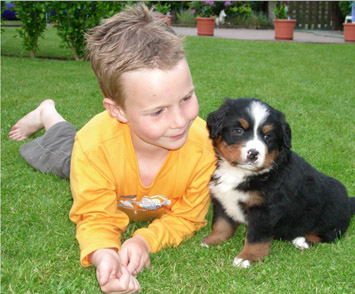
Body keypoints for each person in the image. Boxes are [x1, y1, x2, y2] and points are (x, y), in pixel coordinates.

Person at [9, 4, 216, 293]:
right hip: (93, 153)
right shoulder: (93, 148)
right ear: (117, 111)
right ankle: (47, 114)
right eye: (157, 112)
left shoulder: (204, 146)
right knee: (62, 154)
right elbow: (95, 214)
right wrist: (104, 252)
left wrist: (145, 239)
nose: (180, 121)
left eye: (186, 98)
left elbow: (188, 216)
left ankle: (50, 114)